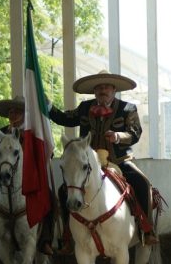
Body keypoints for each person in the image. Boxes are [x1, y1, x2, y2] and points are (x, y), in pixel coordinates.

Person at [48, 70, 159, 246]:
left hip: (120, 161)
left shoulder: (128, 108)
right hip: (89, 163)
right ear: (94, 91)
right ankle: (67, 234)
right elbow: (65, 118)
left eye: (106, 87)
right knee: (64, 190)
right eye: (99, 87)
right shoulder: (84, 108)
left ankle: (147, 229)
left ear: (114, 89)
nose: (103, 90)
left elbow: (135, 133)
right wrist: (47, 106)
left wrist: (118, 136)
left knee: (142, 184)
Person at [0, 96, 55, 257]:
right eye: (11, 112)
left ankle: (45, 240)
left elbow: (46, 153)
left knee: (50, 198)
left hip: (32, 179)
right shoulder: (1, 133)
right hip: (7, 178)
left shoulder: (34, 133)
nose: (13, 115)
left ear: (25, 114)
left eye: (17, 111)